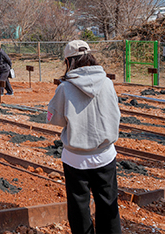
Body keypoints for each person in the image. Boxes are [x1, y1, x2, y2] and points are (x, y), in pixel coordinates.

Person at [46, 40, 121, 234]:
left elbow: (56, 120)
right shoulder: (107, 83)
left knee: (79, 207)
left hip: (76, 158)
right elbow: (116, 114)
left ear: (68, 61)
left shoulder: (65, 88)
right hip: (105, 155)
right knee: (108, 204)